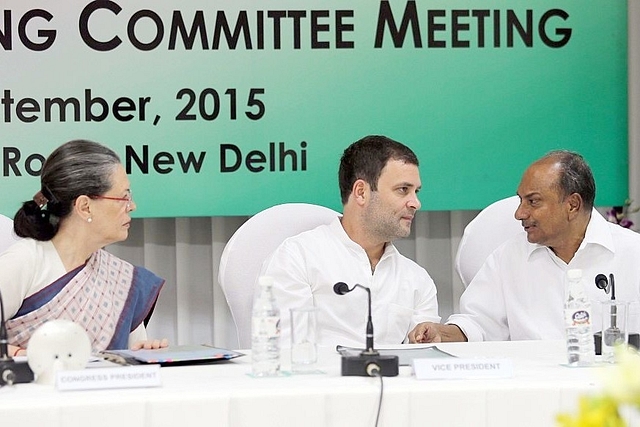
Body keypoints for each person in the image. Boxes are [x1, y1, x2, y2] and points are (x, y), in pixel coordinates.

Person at [409, 150, 640, 343]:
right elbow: (477, 324)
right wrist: (440, 333)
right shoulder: (507, 258)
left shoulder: (633, 253)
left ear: (572, 205)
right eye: (521, 200)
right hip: (532, 387)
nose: (519, 213)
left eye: (533, 201)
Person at [259, 135, 440, 348]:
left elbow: (423, 361)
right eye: (403, 190)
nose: (415, 203)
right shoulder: (297, 258)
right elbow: (286, 354)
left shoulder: (418, 280)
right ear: (361, 192)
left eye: (416, 191)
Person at [1, 139, 168, 357]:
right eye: (124, 197)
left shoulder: (122, 279)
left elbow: (129, 353)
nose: (132, 206)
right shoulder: (24, 261)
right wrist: (22, 356)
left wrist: (144, 354)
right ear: (84, 206)